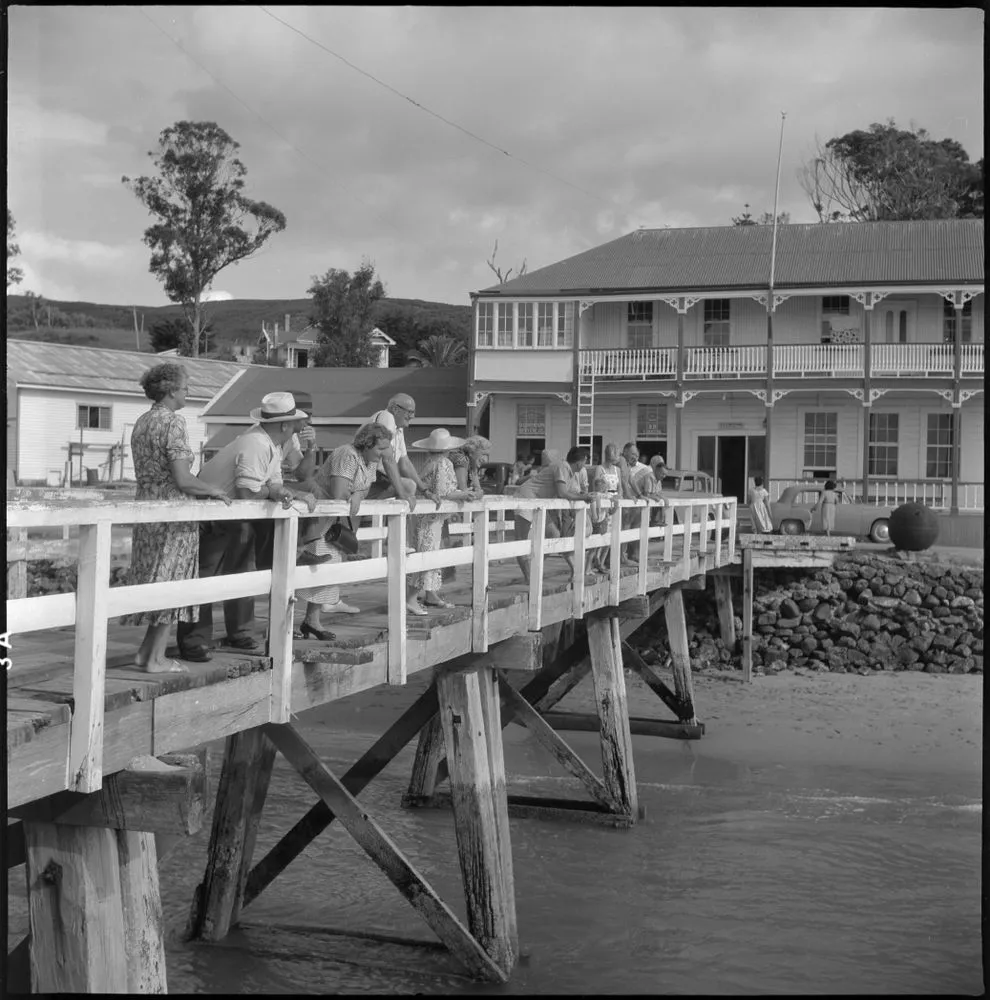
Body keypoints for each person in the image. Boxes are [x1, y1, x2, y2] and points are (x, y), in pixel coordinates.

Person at [175, 391, 316, 661]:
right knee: (206, 578)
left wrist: (287, 492)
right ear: (285, 425)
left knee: (239, 573)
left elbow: (272, 483)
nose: (300, 426)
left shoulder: (269, 443)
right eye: (296, 421)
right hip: (214, 514)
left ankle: (235, 633)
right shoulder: (258, 444)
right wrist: (281, 493)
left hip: (231, 514)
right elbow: (247, 492)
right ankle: (195, 641)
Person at [120, 363, 232, 672]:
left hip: (147, 508)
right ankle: (154, 659)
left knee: (157, 579)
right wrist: (213, 491)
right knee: (172, 582)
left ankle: (147, 653)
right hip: (173, 513)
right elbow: (183, 479)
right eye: (185, 388)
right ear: (170, 390)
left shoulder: (142, 422)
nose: (188, 392)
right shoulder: (173, 423)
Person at [295, 422, 395, 640]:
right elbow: (339, 492)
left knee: (327, 571)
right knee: (311, 570)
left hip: (334, 521)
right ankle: (289, 626)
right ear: (367, 444)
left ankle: (312, 621)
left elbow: (363, 488)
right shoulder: (347, 454)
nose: (383, 453)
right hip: (320, 518)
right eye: (380, 448)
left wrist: (357, 494)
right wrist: (356, 494)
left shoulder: (368, 460)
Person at [407, 428, 481, 615]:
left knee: (423, 553)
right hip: (431, 518)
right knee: (427, 555)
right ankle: (410, 599)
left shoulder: (430, 462)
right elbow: (442, 492)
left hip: (422, 515)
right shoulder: (444, 463)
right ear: (448, 447)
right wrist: (465, 494)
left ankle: (427, 595)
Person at [512, 446, 596, 583]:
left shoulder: (570, 473)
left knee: (553, 535)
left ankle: (534, 567)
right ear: (580, 461)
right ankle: (529, 577)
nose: (585, 465)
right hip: (526, 498)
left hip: (538, 503)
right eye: (585, 461)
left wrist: (583, 495)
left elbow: (567, 493)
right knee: (521, 539)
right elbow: (563, 493)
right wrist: (584, 497)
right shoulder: (562, 466)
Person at [365, 393, 429, 507]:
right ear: (395, 409)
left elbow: (404, 463)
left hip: (375, 479)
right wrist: (403, 493)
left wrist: (425, 491)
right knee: (408, 486)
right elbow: (388, 460)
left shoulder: (397, 428)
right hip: (366, 477)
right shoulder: (386, 417)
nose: (413, 416)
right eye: (410, 412)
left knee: (408, 486)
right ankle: (369, 519)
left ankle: (370, 519)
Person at [589, 443, 623, 574]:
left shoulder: (617, 470)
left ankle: (601, 562)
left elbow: (620, 489)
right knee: (600, 532)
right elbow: (596, 486)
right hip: (603, 501)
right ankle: (595, 559)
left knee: (611, 535)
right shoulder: (599, 468)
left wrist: (617, 498)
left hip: (614, 501)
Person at [620, 442, 649, 565]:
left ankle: (622, 555)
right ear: (625, 452)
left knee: (626, 527)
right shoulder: (621, 460)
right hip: (617, 500)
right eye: (632, 454)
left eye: (637, 455)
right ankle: (620, 556)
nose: (635, 458)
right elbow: (622, 481)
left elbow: (631, 480)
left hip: (623, 501)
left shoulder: (627, 465)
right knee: (621, 528)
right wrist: (629, 496)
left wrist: (640, 495)